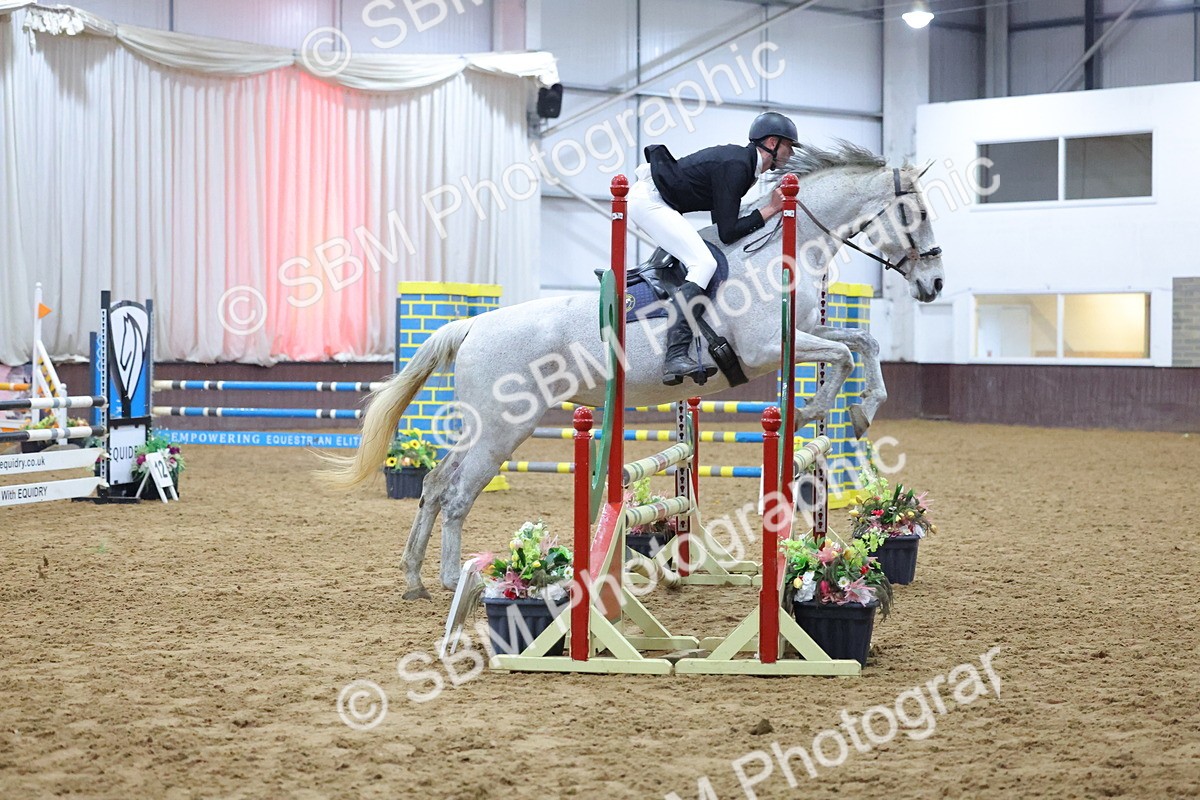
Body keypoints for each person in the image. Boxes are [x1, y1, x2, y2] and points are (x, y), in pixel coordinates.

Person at [628, 111, 798, 385]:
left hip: (659, 200)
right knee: (703, 264)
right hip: (651, 201)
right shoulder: (738, 165)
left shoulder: (744, 165)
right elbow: (728, 232)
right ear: (772, 142)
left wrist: (763, 212)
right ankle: (675, 355)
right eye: (789, 145)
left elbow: (722, 221)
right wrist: (770, 209)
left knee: (704, 260)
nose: (791, 153)